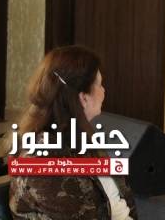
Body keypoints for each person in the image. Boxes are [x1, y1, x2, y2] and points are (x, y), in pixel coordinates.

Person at [9, 45, 137, 219]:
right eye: (100, 84)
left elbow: (120, 202)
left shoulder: (79, 139)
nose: (104, 91)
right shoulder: (43, 162)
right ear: (83, 98)